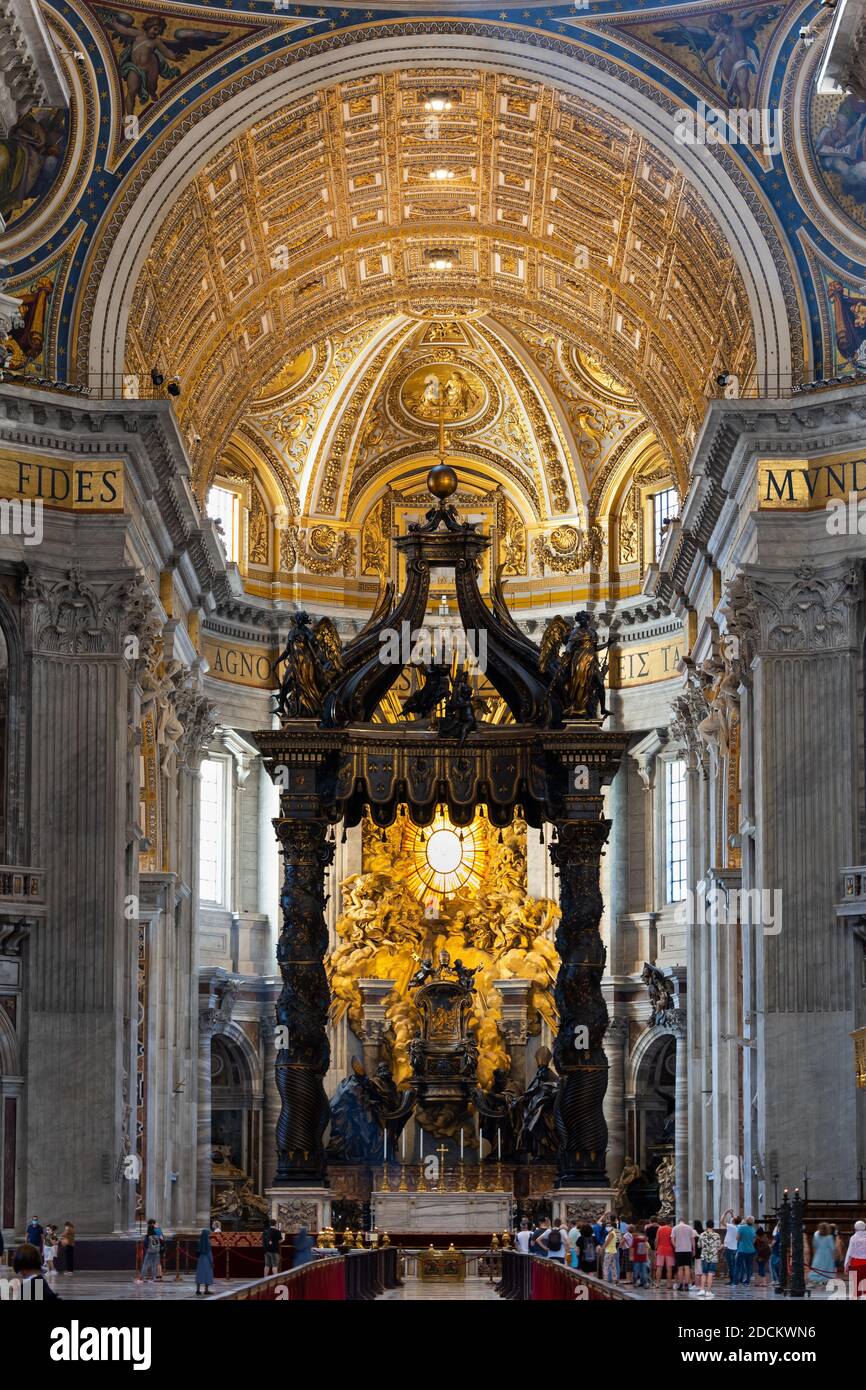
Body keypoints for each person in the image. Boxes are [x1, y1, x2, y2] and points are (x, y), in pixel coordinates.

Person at [671, 1216, 697, 1292]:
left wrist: (676, 1246)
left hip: (679, 1250)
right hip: (688, 1250)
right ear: (684, 1221)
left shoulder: (675, 1228)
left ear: (679, 1221)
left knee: (680, 1268)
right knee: (687, 1268)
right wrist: (694, 1249)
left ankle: (680, 1285)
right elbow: (692, 1240)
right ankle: (686, 1285)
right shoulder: (689, 1228)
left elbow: (672, 1239)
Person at [697, 1220, 721, 1298]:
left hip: (704, 1256)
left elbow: (699, 1245)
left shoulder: (702, 1234)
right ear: (713, 1226)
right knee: (710, 1273)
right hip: (713, 1257)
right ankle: (708, 1291)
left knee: (704, 1273)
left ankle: (702, 1289)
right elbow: (718, 1247)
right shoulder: (717, 1235)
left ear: (706, 1225)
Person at [808, 1222, 836, 1287]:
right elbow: (832, 1248)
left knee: (817, 1266)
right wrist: (834, 1256)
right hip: (828, 1254)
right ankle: (826, 1280)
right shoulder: (829, 1237)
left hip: (818, 1253)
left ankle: (815, 1279)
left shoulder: (816, 1234)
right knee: (827, 1268)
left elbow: (814, 1245)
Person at [843, 1218, 866, 1296]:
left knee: (855, 1289)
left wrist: (846, 1265)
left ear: (855, 1228)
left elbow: (850, 1252)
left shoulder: (853, 1238)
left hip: (855, 1264)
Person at [654, 1217, 675, 1289]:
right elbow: (673, 1240)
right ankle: (669, 1284)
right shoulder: (671, 1229)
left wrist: (656, 1248)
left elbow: (657, 1239)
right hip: (669, 1250)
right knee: (669, 1268)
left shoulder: (660, 1229)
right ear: (671, 1223)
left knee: (659, 1267)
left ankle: (657, 1284)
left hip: (660, 1249)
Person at [736, 1215, 757, 1285]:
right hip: (751, 1250)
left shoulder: (741, 1228)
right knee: (749, 1266)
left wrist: (743, 1240)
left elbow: (737, 1238)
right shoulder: (753, 1229)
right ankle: (747, 1281)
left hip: (742, 1249)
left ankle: (736, 1281)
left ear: (746, 1221)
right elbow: (754, 1240)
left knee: (738, 1265)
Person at [721, 1209, 740, 1284]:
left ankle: (733, 1281)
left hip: (728, 1248)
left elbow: (721, 1221)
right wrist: (732, 1214)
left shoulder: (731, 1226)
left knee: (730, 1265)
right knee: (734, 1265)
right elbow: (735, 1220)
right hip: (734, 1248)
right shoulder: (738, 1226)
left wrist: (725, 1212)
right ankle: (735, 1280)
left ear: (733, 1221)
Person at [195, 1227, 214, 1295]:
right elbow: (209, 1253)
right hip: (206, 1260)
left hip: (200, 1259)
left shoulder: (200, 1241)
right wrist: (212, 1261)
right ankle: (206, 1290)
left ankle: (198, 1290)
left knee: (200, 1274)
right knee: (207, 1274)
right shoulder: (208, 1242)